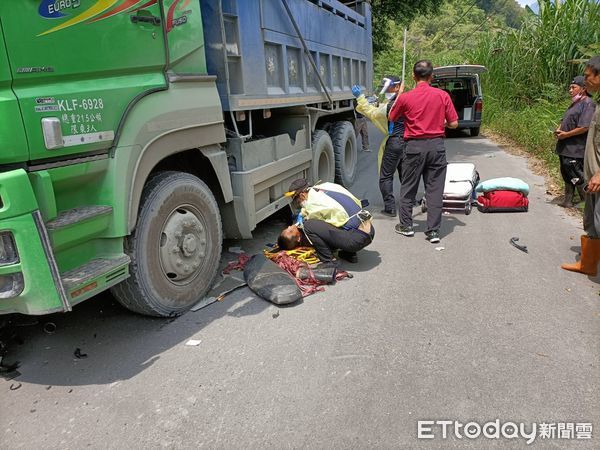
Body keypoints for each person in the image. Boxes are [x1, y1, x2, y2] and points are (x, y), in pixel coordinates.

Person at [389, 60, 458, 244]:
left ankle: (406, 226)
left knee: (408, 187)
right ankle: (433, 232)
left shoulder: (406, 97)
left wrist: (400, 95)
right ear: (431, 76)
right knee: (434, 190)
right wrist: (439, 122)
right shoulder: (442, 95)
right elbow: (454, 124)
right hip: (436, 146)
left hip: (414, 147)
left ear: (413, 76)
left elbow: (392, 117)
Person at [562, 56, 600, 275]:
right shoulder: (597, 103)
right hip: (592, 177)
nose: (585, 81)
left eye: (587, 76)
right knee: (592, 223)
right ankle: (588, 265)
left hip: (598, 177)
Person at [280, 179, 374, 264]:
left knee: (309, 226)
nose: (299, 203)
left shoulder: (313, 204)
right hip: (369, 230)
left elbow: (314, 224)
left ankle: (328, 262)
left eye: (297, 200)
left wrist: (301, 224)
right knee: (339, 220)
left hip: (357, 239)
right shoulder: (326, 186)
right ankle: (349, 253)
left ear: (302, 195)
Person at [352, 76, 406, 216]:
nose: (387, 90)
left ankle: (390, 208)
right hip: (409, 142)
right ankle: (409, 203)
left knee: (386, 176)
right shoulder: (407, 101)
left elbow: (372, 113)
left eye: (389, 87)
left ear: (397, 87)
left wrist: (360, 98)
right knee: (405, 175)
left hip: (395, 142)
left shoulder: (390, 106)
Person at [555, 76, 596, 207]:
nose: (570, 90)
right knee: (567, 173)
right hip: (565, 147)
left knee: (576, 174)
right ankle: (568, 201)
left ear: (583, 88)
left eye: (573, 87)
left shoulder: (588, 104)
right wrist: (559, 129)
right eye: (570, 88)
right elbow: (565, 120)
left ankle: (586, 201)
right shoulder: (575, 103)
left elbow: (584, 127)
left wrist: (566, 134)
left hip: (576, 148)